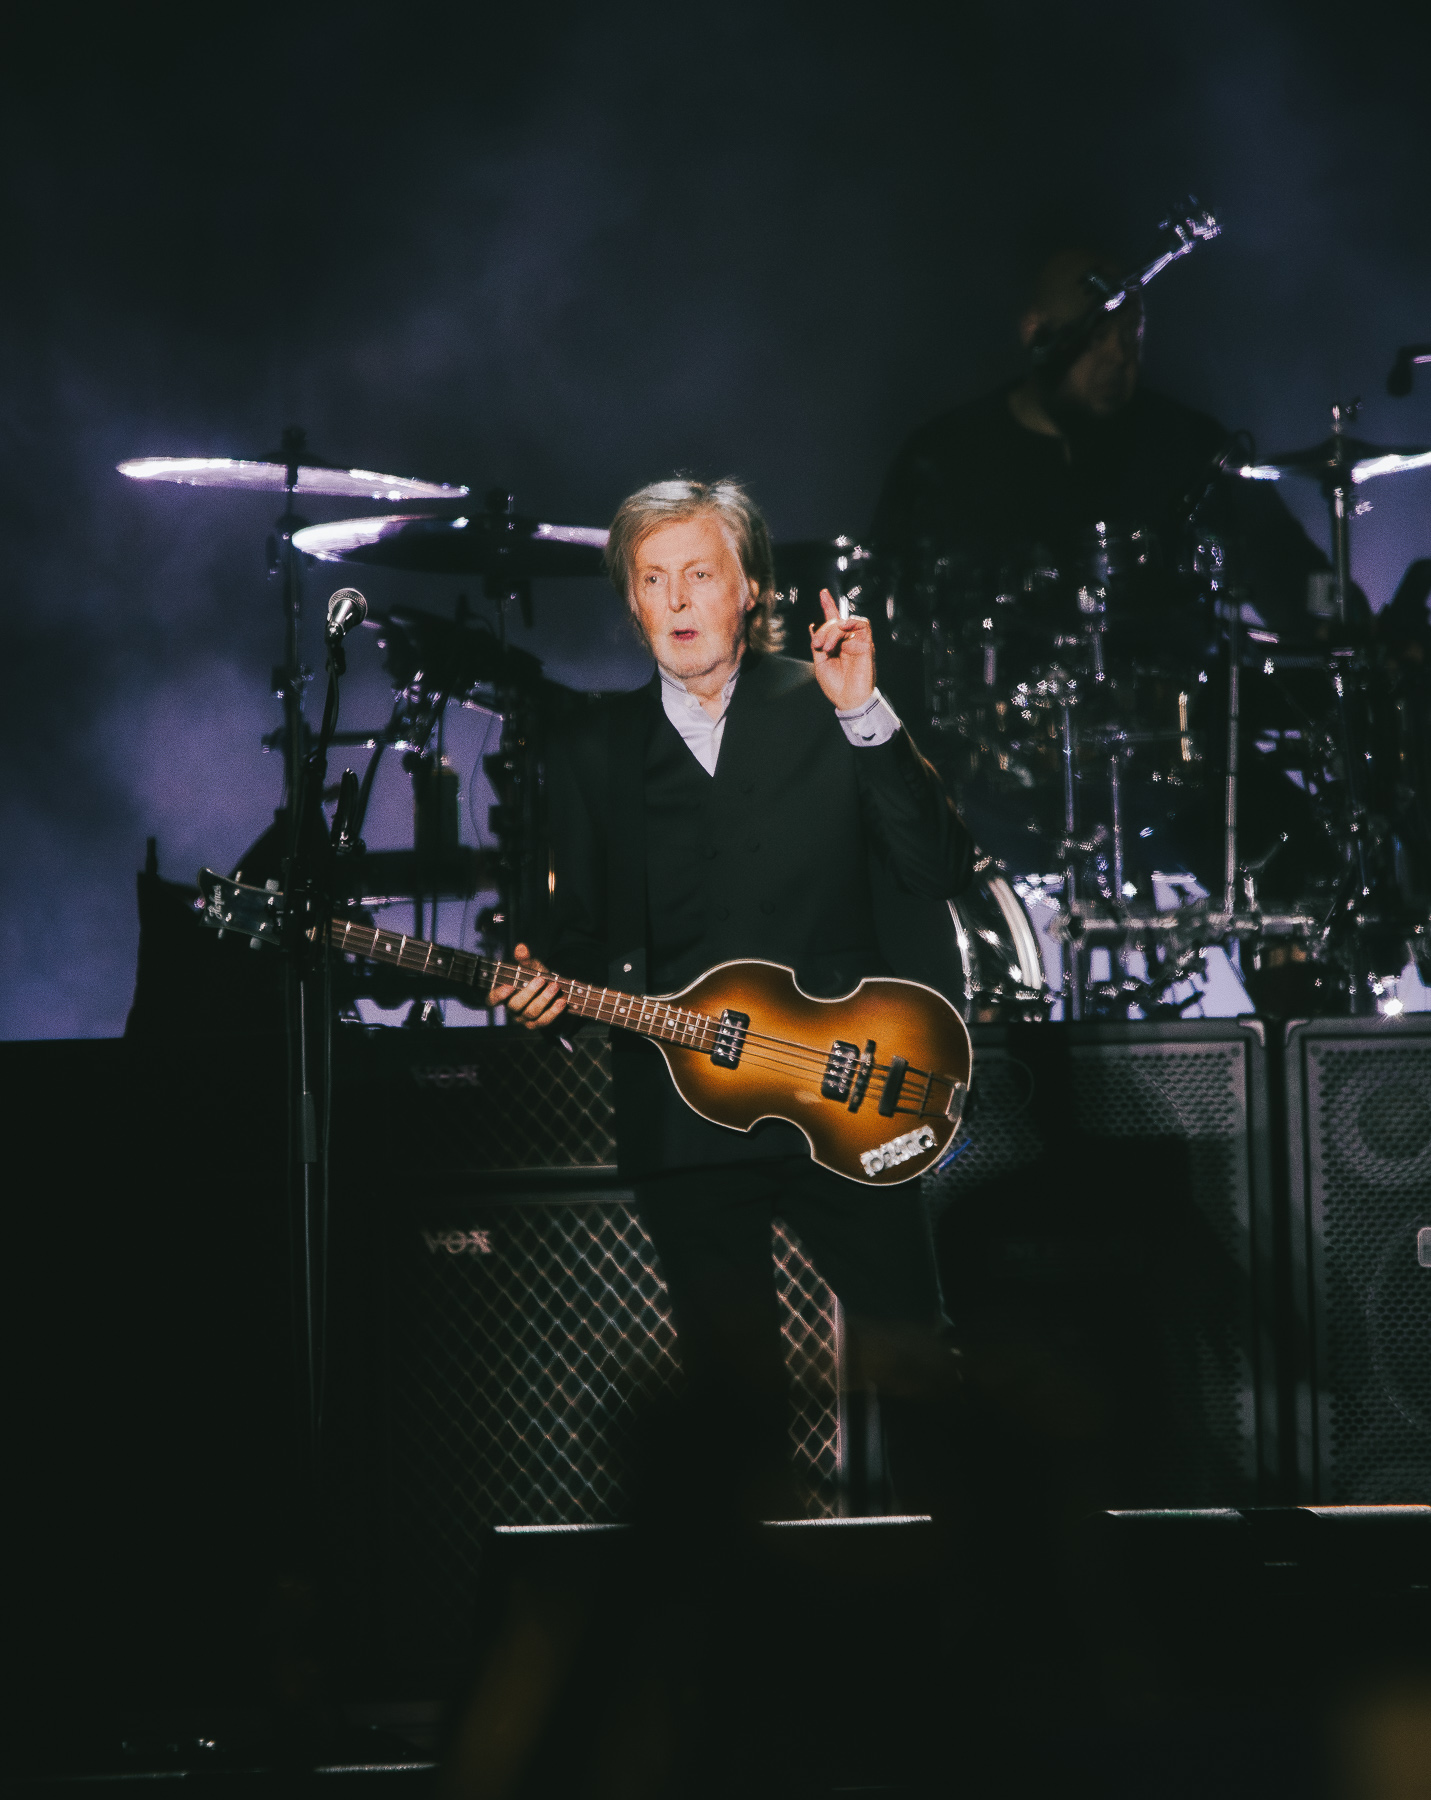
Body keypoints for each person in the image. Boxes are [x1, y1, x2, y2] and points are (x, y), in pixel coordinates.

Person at [489, 476, 975, 1514]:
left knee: (915, 1359)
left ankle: (967, 1582)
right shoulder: (593, 746)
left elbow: (935, 867)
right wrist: (543, 991)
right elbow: (578, 940)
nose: (675, 600)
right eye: (651, 580)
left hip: (846, 1089)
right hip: (686, 1111)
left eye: (698, 575)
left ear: (750, 588)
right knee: (731, 1390)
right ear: (631, 601)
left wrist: (866, 714)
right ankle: (754, 1607)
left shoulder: (831, 702)